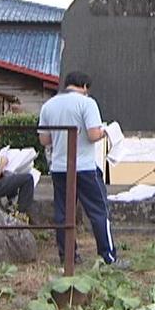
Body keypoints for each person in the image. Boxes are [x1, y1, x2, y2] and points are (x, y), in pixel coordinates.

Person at [38, 71, 125, 268]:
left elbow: (44, 139)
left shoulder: (49, 105)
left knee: (63, 213)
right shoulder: (87, 103)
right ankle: (108, 257)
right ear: (85, 86)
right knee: (98, 211)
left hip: (59, 167)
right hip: (84, 166)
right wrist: (107, 131)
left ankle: (68, 255)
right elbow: (93, 134)